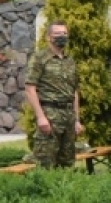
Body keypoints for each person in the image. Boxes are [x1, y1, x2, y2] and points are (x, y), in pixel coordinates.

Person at [25, 21, 82, 169]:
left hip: (68, 115)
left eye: (64, 33)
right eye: (57, 34)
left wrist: (76, 119)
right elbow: (30, 88)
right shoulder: (40, 58)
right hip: (50, 114)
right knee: (46, 163)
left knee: (68, 163)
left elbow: (74, 91)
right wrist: (41, 117)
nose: (62, 37)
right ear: (49, 37)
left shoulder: (70, 60)